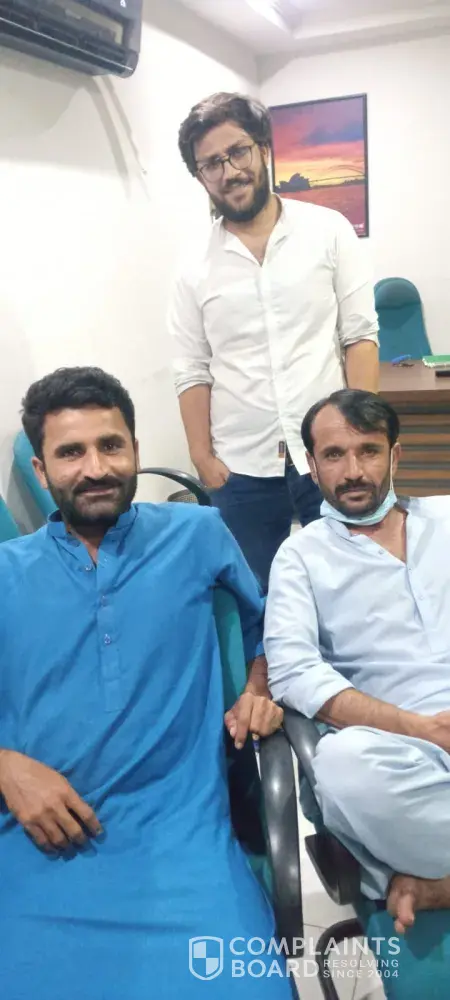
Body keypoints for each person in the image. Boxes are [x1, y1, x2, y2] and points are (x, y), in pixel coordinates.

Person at [0, 366, 293, 1000]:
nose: (95, 468)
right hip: (31, 852)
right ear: (42, 471)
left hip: (184, 846)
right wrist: (4, 766)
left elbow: (272, 626)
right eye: (71, 453)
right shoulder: (5, 571)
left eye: (111, 445)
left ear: (134, 449)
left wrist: (258, 688)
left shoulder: (196, 534)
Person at [170, 92, 379, 591]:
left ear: (263, 149)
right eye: (211, 164)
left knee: (351, 582)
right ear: (200, 177)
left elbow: (359, 335)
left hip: (329, 451)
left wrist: (362, 437)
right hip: (239, 467)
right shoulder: (193, 265)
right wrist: (202, 458)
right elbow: (191, 368)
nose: (229, 171)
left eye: (237, 152)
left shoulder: (327, 231)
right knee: (253, 594)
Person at [264, 388, 450, 936]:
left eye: (368, 451)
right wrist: (420, 728)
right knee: (344, 768)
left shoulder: (446, 518)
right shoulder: (301, 556)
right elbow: (292, 671)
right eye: (333, 455)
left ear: (395, 455)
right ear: (311, 464)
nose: (352, 472)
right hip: (402, 751)